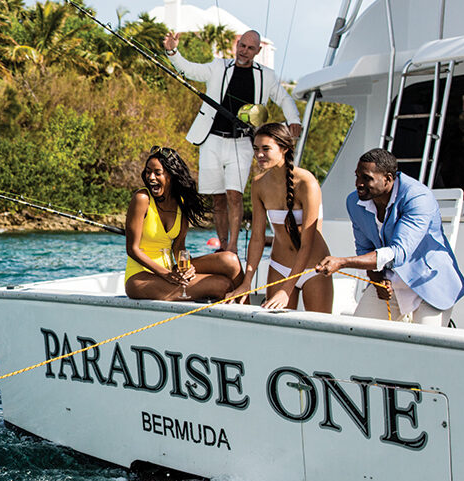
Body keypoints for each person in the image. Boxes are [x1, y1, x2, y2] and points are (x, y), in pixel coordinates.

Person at [163, 29, 302, 256]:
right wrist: (172, 51)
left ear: (258, 51)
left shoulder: (265, 75)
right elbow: (189, 69)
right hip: (212, 140)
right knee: (218, 197)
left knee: (234, 195)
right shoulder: (219, 67)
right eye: (242, 46)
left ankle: (233, 247)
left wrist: (294, 120)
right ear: (237, 45)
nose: (244, 51)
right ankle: (222, 245)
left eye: (249, 48)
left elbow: (284, 98)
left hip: (243, 143)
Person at [315, 148, 464, 325]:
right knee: (358, 333)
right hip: (390, 280)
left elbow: (398, 252)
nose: (358, 183)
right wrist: (377, 280)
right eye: (357, 176)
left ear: (388, 178)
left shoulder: (417, 197)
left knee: (424, 346)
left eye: (367, 178)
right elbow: (365, 248)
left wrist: (342, 262)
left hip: (428, 282)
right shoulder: (354, 202)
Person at [125, 147, 242, 301]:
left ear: (171, 176)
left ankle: (246, 309)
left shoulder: (181, 203)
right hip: (140, 277)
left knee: (230, 261)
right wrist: (166, 275)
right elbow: (132, 249)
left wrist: (186, 268)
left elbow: (178, 247)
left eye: (157, 173)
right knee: (222, 285)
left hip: (170, 270)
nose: (151, 177)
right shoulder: (142, 198)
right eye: (148, 172)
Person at [239, 123, 333, 312]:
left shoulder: (307, 183)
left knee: (317, 334)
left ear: (284, 149)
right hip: (279, 266)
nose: (259, 155)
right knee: (275, 333)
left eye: (266, 149)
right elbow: (257, 238)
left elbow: (308, 242)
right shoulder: (258, 185)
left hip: (313, 267)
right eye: (256, 149)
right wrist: (247, 281)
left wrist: (286, 289)